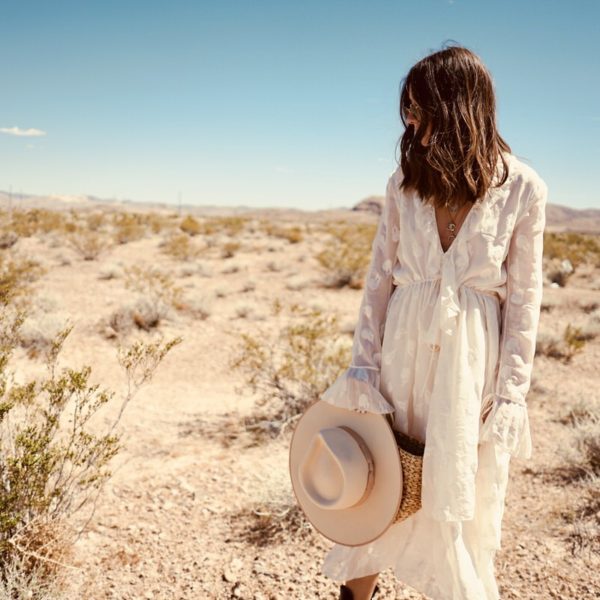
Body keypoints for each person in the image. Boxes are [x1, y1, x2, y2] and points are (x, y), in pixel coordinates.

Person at [318, 43, 548, 600]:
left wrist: (512, 392)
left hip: (471, 365)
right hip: (400, 351)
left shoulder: (523, 188)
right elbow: (378, 282)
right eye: (408, 111)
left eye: (420, 109)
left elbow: (524, 300)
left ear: (459, 107)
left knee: (452, 493)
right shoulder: (403, 183)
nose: (412, 123)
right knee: (379, 485)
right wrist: (363, 370)